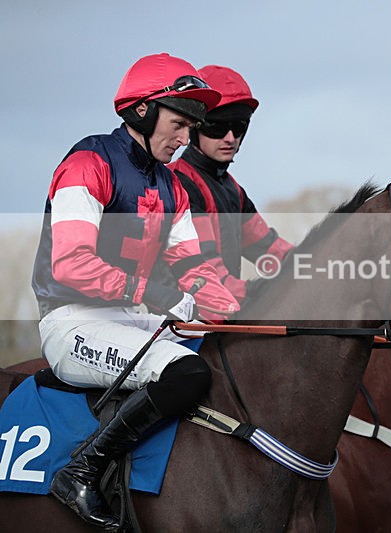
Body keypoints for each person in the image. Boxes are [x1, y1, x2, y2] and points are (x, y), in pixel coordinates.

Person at [30, 53, 240, 528]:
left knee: (229, 354)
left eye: (192, 127)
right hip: (72, 320)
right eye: (179, 124)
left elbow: (194, 267)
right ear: (142, 111)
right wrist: (157, 294)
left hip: (130, 318)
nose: (186, 139)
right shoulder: (89, 161)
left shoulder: (172, 186)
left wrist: (251, 301)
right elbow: (71, 263)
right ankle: (80, 471)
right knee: (187, 374)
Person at [166, 65, 293, 304]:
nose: (230, 138)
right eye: (218, 127)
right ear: (195, 127)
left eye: (239, 127)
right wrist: (260, 292)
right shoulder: (178, 184)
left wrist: (321, 268)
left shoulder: (234, 190)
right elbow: (207, 271)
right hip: (182, 322)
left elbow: (271, 252)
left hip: (223, 314)